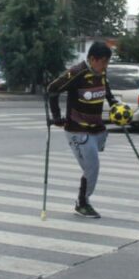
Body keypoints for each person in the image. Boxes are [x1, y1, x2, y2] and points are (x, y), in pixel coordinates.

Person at [47, 41, 118, 218]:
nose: (105, 66)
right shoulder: (77, 73)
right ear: (93, 59)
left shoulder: (100, 72)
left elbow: (106, 89)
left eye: (107, 62)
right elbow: (52, 89)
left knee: (92, 165)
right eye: (103, 62)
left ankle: (83, 200)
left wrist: (115, 104)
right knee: (92, 167)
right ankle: (82, 202)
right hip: (77, 129)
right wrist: (56, 116)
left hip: (97, 129)